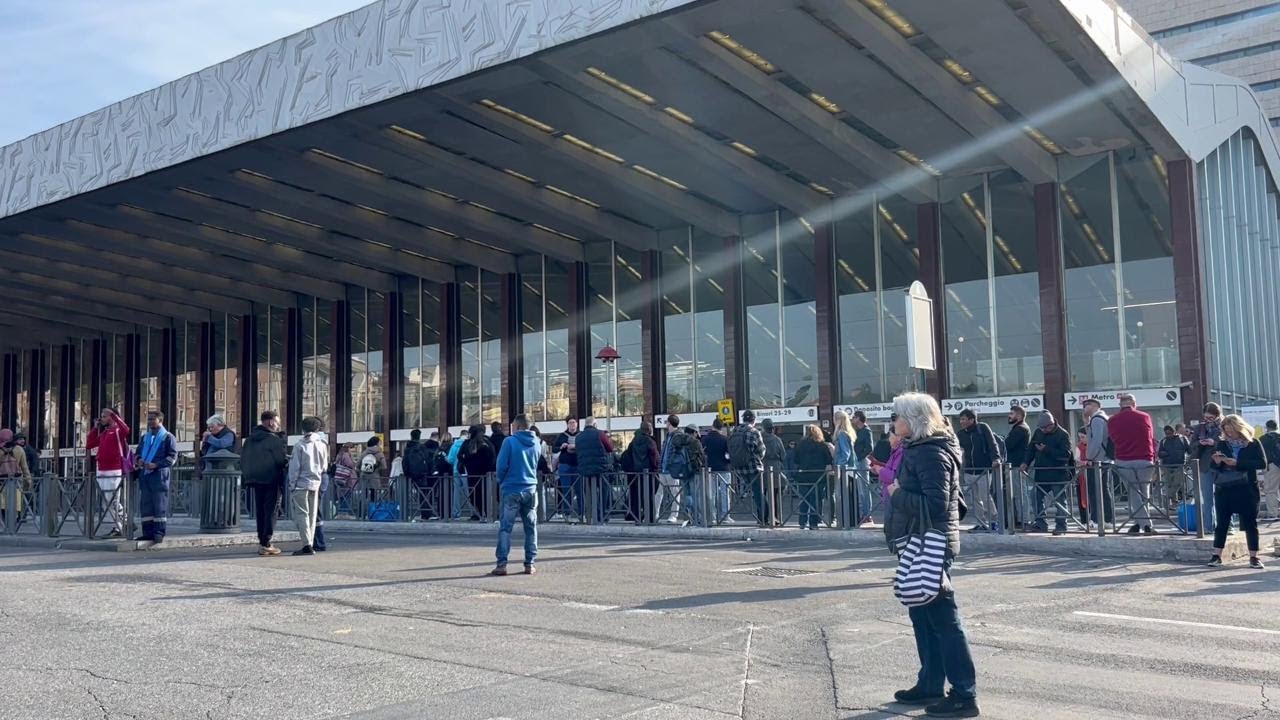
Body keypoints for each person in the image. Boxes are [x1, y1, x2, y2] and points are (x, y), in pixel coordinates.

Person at [884, 393, 978, 717]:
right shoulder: (921, 448)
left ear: (913, 419)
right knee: (923, 616)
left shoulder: (929, 452)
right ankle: (930, 683)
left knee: (943, 619)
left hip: (930, 543)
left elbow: (935, 505)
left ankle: (964, 694)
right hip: (920, 542)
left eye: (897, 416)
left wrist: (897, 494)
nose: (894, 422)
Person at [1206, 415, 1266, 569]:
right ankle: (1216, 555)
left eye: (1232, 430)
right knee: (1222, 522)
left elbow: (1262, 463)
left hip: (1247, 488)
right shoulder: (1222, 443)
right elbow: (1213, 466)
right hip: (1225, 487)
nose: (1229, 434)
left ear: (1240, 428)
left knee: (1250, 522)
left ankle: (1254, 557)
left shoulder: (1252, 443)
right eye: (1226, 431)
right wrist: (1218, 462)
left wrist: (1238, 463)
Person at [492, 414, 540, 575]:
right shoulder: (536, 442)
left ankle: (502, 564)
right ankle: (530, 563)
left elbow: (501, 466)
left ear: (518, 426)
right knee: (531, 528)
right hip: (531, 488)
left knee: (506, 528)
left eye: (513, 425)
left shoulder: (509, 442)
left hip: (511, 488)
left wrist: (501, 480)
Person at [1108, 393, 1158, 535]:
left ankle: (1142, 524)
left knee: (1133, 493)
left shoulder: (1112, 420)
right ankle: (1143, 524)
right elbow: (1150, 437)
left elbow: (1112, 439)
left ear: (1120, 405)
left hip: (1123, 459)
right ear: (1134, 404)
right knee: (1144, 492)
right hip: (1145, 458)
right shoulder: (1145, 417)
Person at [240, 410, 288, 556]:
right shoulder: (273, 439)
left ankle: (262, 541)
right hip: (272, 479)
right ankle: (266, 542)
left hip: (255, 479)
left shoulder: (250, 439)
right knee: (271, 511)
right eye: (277, 423)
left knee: (260, 511)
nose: (278, 426)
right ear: (271, 422)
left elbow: (244, 459)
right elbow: (280, 461)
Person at [1021, 412, 1073, 535]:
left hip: (1058, 474)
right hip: (1041, 473)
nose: (1043, 430)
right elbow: (1031, 449)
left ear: (1051, 424)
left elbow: (1065, 455)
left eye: (1045, 428)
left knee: (1060, 501)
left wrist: (1046, 449)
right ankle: (1040, 524)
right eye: (1041, 428)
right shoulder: (1038, 432)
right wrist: (1025, 462)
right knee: (1035, 497)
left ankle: (1061, 526)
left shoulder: (1062, 434)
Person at [287, 416, 329, 556]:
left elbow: (295, 468)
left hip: (301, 484)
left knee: (301, 514)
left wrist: (292, 484)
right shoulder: (322, 445)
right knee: (312, 514)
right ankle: (310, 543)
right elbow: (324, 466)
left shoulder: (300, 445)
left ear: (303, 429)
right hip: (316, 483)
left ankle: (306, 544)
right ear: (317, 428)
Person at [85, 407, 130, 538]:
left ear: (111, 417)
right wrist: (95, 428)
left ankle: (123, 523)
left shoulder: (118, 431)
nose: (102, 419)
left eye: (104, 416)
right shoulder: (104, 433)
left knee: (113, 499)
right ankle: (119, 525)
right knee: (105, 501)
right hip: (101, 469)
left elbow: (126, 430)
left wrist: (114, 416)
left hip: (114, 469)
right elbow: (89, 444)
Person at [135, 411, 177, 545]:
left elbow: (172, 458)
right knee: (146, 505)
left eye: (153, 419)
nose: (150, 422)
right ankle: (147, 533)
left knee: (159, 506)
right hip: (145, 475)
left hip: (159, 476)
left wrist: (156, 465)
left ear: (160, 420)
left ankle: (159, 533)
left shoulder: (168, 437)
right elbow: (137, 453)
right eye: (149, 419)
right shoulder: (145, 437)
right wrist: (139, 460)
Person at [956, 409, 999, 534]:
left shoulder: (983, 428)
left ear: (972, 419)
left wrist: (996, 458)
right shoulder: (960, 434)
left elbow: (992, 444)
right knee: (975, 499)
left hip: (983, 470)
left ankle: (994, 522)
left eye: (964, 419)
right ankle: (981, 523)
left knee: (986, 497)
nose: (961, 422)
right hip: (969, 470)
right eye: (960, 419)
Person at [728, 411, 767, 526]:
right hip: (754, 467)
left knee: (754, 493)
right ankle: (764, 518)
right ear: (754, 420)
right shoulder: (754, 432)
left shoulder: (734, 431)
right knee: (759, 493)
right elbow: (761, 450)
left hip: (739, 468)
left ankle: (761, 518)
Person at [573, 417, 614, 523]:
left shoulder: (578, 437)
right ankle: (601, 515)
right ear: (595, 424)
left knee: (589, 493)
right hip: (601, 468)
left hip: (585, 469)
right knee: (604, 492)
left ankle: (589, 515)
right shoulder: (600, 434)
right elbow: (610, 448)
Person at [793, 424, 833, 531]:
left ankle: (802, 522)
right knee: (816, 501)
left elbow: (796, 459)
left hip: (804, 475)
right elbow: (829, 460)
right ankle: (813, 523)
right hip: (818, 476)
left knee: (804, 500)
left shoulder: (800, 445)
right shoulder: (822, 445)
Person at [1082, 398, 1114, 527]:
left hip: (1097, 460)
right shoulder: (1101, 418)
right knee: (1103, 489)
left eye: (1086, 405)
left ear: (1094, 406)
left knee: (1095, 490)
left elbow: (1096, 441)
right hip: (1104, 458)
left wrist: (1089, 457)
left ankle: (1097, 520)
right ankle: (1106, 519)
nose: (1084, 408)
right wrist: (1086, 422)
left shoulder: (1097, 419)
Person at [1192, 402, 1224, 530]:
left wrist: (1214, 443)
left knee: (1224, 497)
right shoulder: (1200, 428)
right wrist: (1200, 443)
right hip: (1205, 465)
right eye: (1206, 417)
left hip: (1222, 464)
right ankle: (1208, 526)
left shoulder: (1224, 426)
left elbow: (1229, 442)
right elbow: (1192, 445)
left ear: (1217, 415)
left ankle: (1227, 526)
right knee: (1207, 498)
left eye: (1211, 417)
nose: (1208, 420)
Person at [621, 421, 659, 523]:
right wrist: (656, 468)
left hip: (636, 473)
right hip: (648, 473)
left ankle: (637, 517)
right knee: (649, 496)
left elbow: (628, 455)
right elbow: (654, 456)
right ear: (649, 429)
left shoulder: (634, 441)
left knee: (637, 496)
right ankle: (650, 518)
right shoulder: (650, 441)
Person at [460, 425, 497, 521]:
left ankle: (480, 514)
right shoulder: (487, 443)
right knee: (485, 494)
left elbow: (460, 456)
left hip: (472, 474)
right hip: (485, 474)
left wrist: (466, 463)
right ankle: (487, 514)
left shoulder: (468, 444)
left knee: (474, 495)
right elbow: (493, 457)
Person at [1004, 406, 1031, 529]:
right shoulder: (1019, 428)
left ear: (1019, 416)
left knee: (1020, 493)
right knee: (1017, 493)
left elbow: (1008, 445)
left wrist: (1002, 441)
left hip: (1017, 465)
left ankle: (1023, 519)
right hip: (1015, 465)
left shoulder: (1020, 429)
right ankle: (1020, 519)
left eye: (1011, 413)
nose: (1009, 416)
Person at [677, 424, 708, 526]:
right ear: (694, 432)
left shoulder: (679, 440)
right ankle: (697, 517)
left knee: (686, 495)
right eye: (696, 433)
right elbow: (701, 457)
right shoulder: (695, 442)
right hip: (694, 471)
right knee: (695, 495)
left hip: (682, 471)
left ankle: (688, 517)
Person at [656, 415, 685, 524]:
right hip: (664, 469)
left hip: (672, 470)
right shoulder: (668, 436)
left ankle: (673, 515)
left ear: (670, 423)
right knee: (659, 493)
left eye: (667, 422)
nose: (665, 424)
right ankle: (655, 514)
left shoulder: (678, 436)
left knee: (675, 493)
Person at [704, 418, 732, 524]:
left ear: (713, 426)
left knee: (712, 493)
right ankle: (725, 516)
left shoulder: (705, 439)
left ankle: (712, 516)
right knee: (725, 492)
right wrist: (727, 461)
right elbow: (728, 455)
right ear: (722, 428)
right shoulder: (725, 439)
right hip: (724, 468)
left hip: (710, 468)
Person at [402, 429, 435, 521]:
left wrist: (406, 473)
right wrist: (430, 470)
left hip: (412, 474)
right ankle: (426, 513)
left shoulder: (408, 448)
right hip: (422, 473)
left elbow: (405, 461)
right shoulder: (421, 447)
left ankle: (407, 514)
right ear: (419, 437)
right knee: (424, 493)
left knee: (418, 493)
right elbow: (428, 460)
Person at [0, 429, 31, 526]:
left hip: (2, 481)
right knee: (17, 499)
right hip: (17, 481)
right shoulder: (19, 450)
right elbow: (24, 467)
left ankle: (5, 521)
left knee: (3, 501)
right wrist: (28, 480)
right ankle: (16, 520)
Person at [553, 418, 580, 520]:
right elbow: (554, 449)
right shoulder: (562, 436)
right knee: (566, 490)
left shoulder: (580, 435)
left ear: (577, 424)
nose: (572, 424)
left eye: (574, 422)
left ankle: (582, 514)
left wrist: (576, 446)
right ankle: (567, 513)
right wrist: (561, 447)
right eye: (570, 423)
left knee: (580, 490)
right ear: (567, 425)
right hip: (565, 465)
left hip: (577, 465)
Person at [761, 419, 786, 525]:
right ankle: (775, 518)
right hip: (775, 468)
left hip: (762, 467)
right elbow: (783, 455)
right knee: (774, 496)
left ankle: (762, 518)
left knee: (761, 494)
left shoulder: (760, 439)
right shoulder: (777, 439)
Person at [199, 414, 238, 478]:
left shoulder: (228, 434)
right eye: (209, 428)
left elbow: (221, 444)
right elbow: (204, 451)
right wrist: (204, 441)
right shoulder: (213, 435)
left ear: (220, 425)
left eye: (212, 427)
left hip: (223, 470)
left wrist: (209, 437)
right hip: (210, 469)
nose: (210, 429)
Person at [1158, 425, 1191, 495]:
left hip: (1179, 465)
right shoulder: (1163, 441)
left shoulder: (1182, 439)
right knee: (1169, 484)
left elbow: (1189, 450)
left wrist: (1189, 462)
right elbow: (1159, 454)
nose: (1168, 435)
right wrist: (1163, 453)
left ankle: (1168, 496)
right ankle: (1172, 499)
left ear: (1174, 432)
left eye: (1170, 433)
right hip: (1167, 466)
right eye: (1166, 433)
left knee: (1177, 483)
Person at [1259, 420, 1280, 519]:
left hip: (1272, 466)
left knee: (1271, 490)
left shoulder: (1263, 439)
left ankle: (1273, 513)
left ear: (1267, 427)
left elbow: (1260, 454)